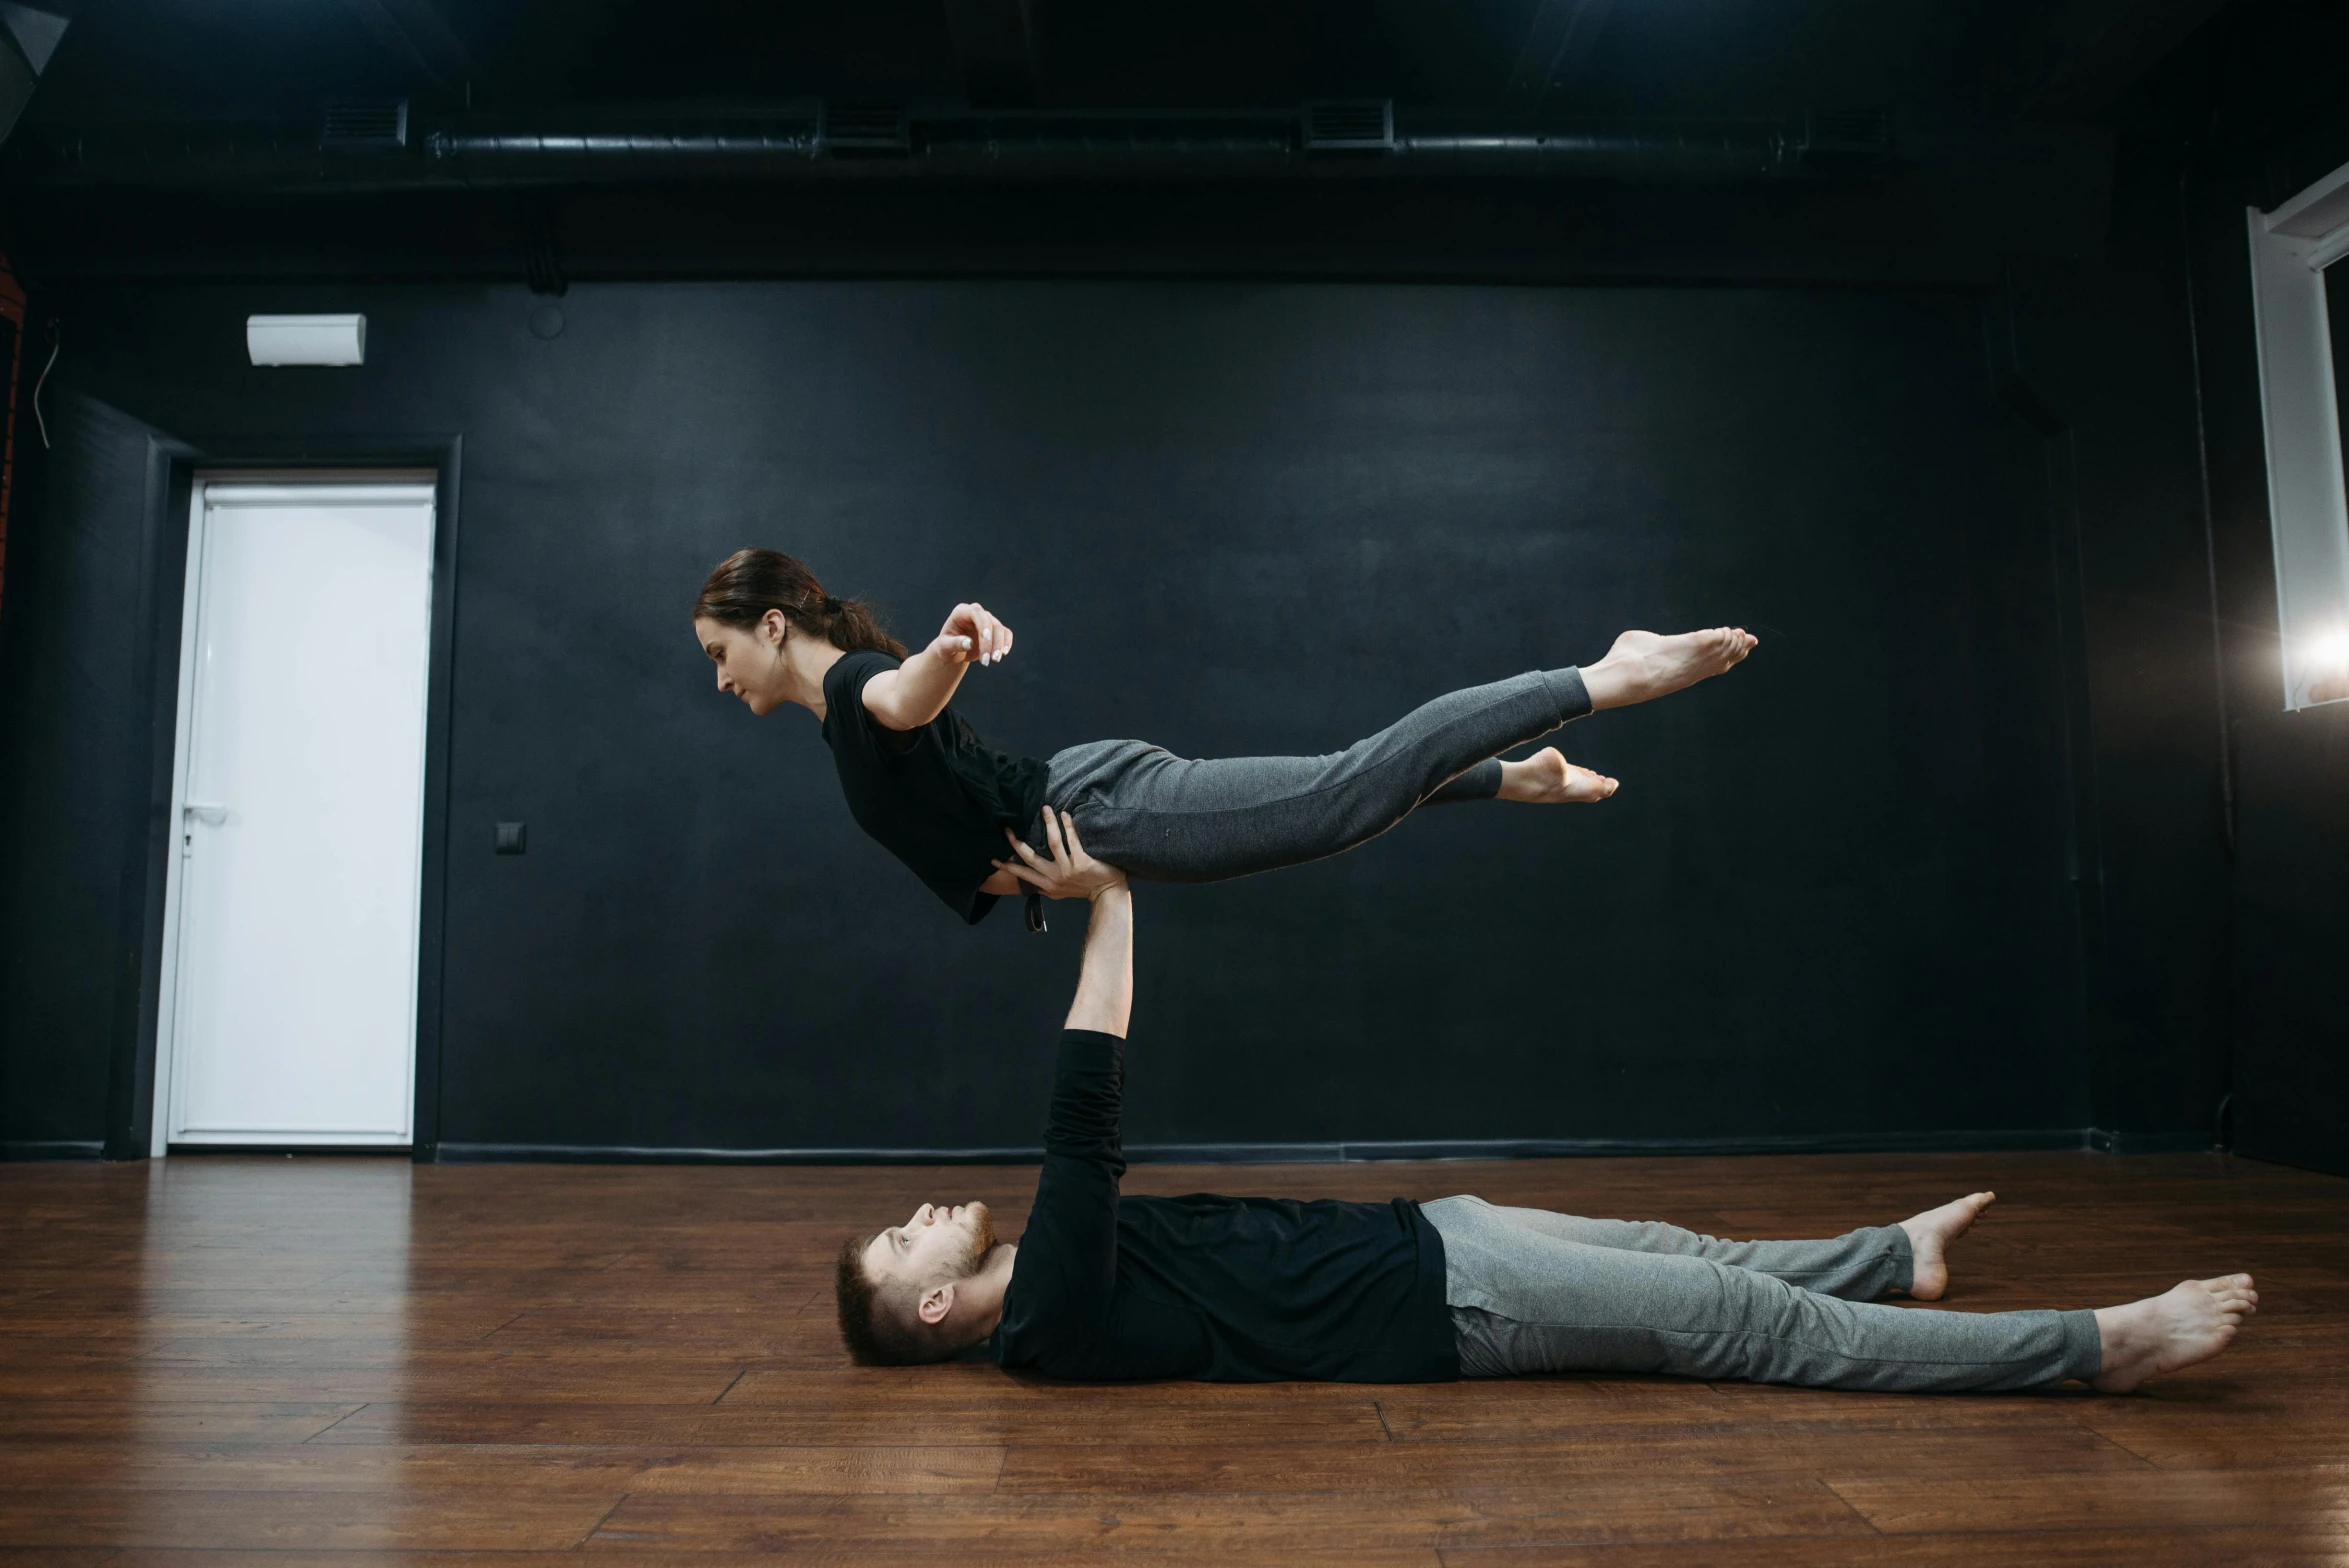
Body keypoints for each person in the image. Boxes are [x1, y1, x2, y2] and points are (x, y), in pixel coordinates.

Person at [833, 811, 2258, 1393]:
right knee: (1746, 1328)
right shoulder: (1044, 1319)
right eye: (906, 1247)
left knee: (1677, 1248)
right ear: (941, 1312)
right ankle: (2089, 1348)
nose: (917, 1219)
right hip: (1452, 1308)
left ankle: (1897, 1258)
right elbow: (1086, 1108)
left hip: (1429, 1234)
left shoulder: (1037, 1275)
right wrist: (1111, 902)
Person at [691, 547, 1757, 926]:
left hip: (1099, 806)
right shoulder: (842, 726)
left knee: (1342, 793)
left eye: (716, 648)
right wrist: (1058, 887)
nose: (719, 672)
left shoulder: (856, 696)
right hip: (1098, 811)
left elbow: (905, 697)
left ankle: (1601, 674)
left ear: (771, 623)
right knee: (1338, 794)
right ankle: (1510, 776)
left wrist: (956, 642)